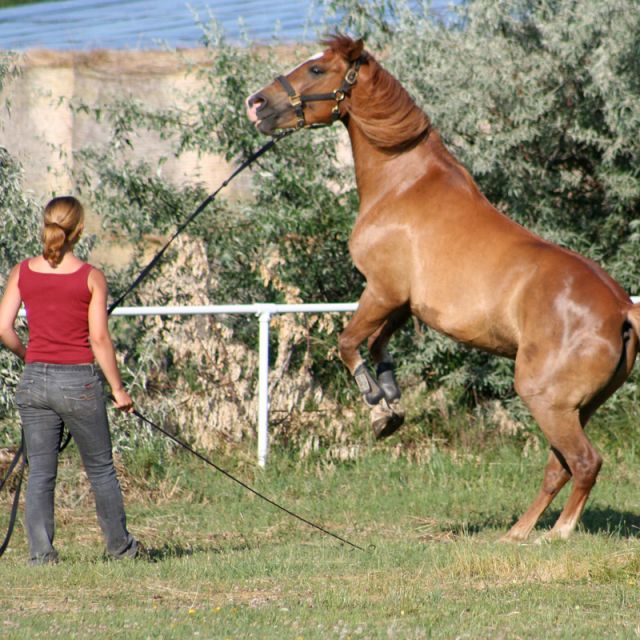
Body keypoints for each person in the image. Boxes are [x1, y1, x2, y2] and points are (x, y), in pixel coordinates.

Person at [0, 196, 140, 564]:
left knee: (40, 473)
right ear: (79, 231)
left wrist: (29, 355)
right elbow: (98, 340)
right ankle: (119, 549)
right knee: (101, 469)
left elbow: (3, 328)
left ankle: (41, 554)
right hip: (78, 382)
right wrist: (119, 389)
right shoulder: (90, 276)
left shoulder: (22, 272)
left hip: (34, 383)